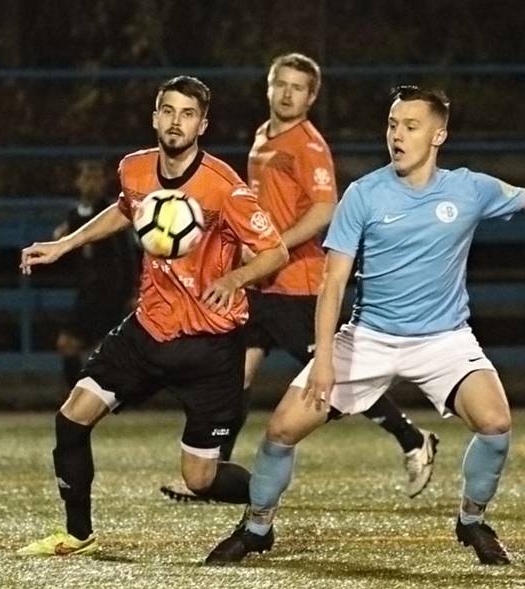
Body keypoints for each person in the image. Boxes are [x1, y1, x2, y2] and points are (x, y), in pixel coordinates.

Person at [204, 85, 525, 566]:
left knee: (496, 425)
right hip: (369, 337)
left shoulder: (469, 189)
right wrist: (325, 359)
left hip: (444, 339)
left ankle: (472, 519)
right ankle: (257, 527)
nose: (397, 135)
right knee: (281, 432)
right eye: (392, 124)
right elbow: (332, 284)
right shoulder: (364, 194)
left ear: (439, 135)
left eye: (410, 126)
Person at [16, 75, 289, 556]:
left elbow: (275, 252)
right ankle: (78, 534)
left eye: (187, 114)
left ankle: (262, 505)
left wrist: (231, 280)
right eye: (168, 111)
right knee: (72, 418)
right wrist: (66, 243)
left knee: (199, 478)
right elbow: (126, 210)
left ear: (202, 124)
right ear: (155, 116)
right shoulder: (134, 169)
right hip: (148, 328)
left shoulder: (225, 186)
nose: (176, 122)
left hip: (209, 345)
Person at [160, 53, 438, 503]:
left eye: (297, 87)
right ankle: (212, 474)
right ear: (269, 88)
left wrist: (277, 247)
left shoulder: (308, 145)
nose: (287, 94)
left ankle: (413, 440)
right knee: (236, 376)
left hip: (298, 285)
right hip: (261, 283)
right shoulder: (262, 136)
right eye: (280, 84)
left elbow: (325, 209)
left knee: (336, 381)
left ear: (311, 96)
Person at [53, 160, 138, 391]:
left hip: (110, 294)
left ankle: (101, 397)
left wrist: (132, 291)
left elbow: (127, 256)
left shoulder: (111, 214)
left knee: (103, 350)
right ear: (78, 182)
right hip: (86, 295)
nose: (92, 183)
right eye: (87, 177)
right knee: (68, 344)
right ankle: (79, 395)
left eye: (97, 178)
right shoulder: (73, 216)